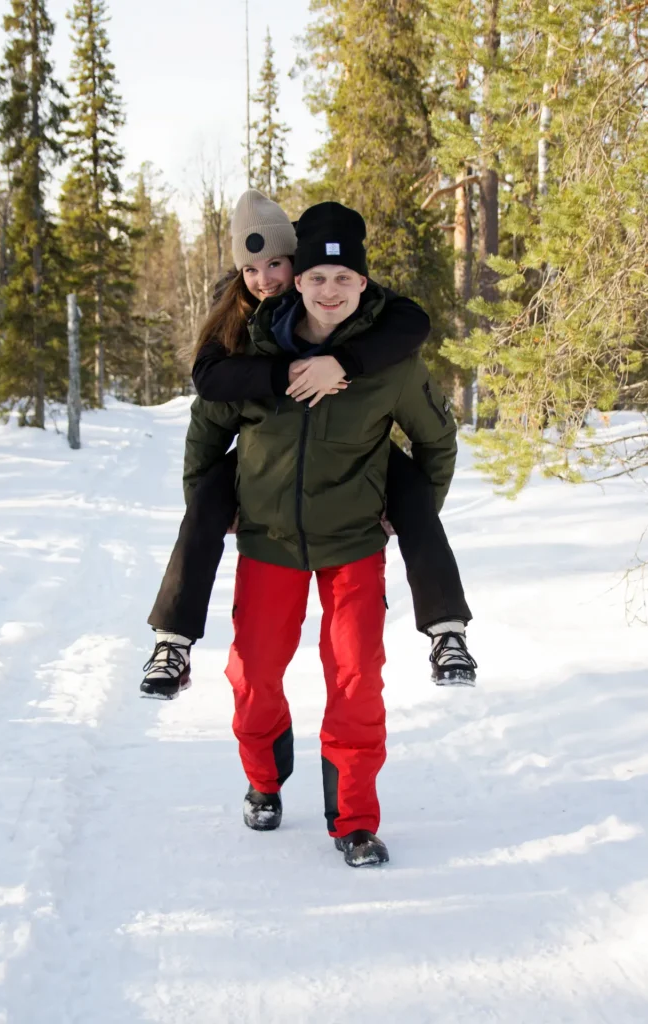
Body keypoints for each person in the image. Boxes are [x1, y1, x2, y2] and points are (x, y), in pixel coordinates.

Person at [174, 200, 467, 867]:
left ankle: (355, 819)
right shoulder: (253, 352)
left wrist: (409, 512)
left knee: (357, 681)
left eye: (344, 279)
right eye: (315, 277)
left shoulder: (387, 362)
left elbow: (435, 443)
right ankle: (263, 782)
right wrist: (212, 510)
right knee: (251, 676)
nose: (329, 290)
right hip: (268, 543)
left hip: (353, 546)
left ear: (363, 284)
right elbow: (205, 438)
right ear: (297, 280)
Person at [141, 191, 476, 704]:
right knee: (207, 497)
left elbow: (412, 324)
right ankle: (173, 641)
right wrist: (279, 374)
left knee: (412, 490)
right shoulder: (237, 323)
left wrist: (344, 363)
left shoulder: (363, 306)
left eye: (276, 263)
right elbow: (208, 390)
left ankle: (447, 628)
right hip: (268, 485)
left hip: (357, 488)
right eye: (252, 268)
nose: (265, 279)